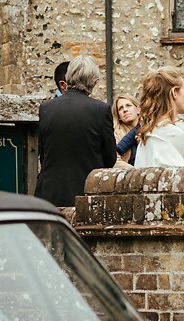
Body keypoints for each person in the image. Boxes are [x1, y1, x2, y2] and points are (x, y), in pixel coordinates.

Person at [34, 56, 118, 208]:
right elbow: (110, 158)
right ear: (94, 82)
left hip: (50, 193)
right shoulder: (101, 110)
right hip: (86, 191)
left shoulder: (46, 108)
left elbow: (43, 153)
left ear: (69, 77)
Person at [112, 95, 139, 166]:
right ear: (119, 117)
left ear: (138, 109)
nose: (125, 110)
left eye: (128, 105)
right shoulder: (116, 133)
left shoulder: (150, 128)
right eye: (121, 108)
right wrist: (134, 172)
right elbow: (114, 160)